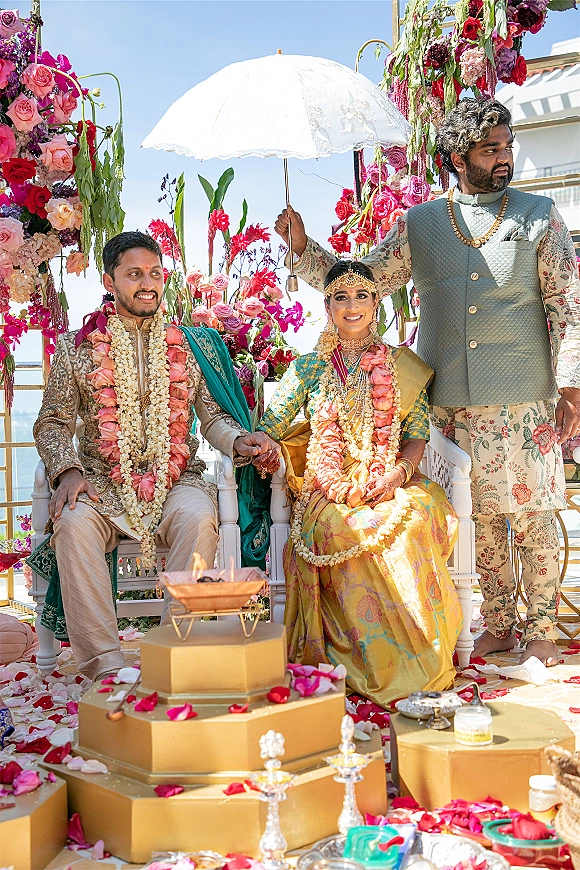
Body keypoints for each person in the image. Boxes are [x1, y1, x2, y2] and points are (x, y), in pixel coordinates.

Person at [275, 98, 580, 668]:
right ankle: (500, 624)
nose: (504, 157)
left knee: (533, 513)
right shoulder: (420, 224)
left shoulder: (539, 215)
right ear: (457, 157)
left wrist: (572, 386)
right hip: (449, 401)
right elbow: (362, 280)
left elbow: (569, 303)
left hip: (523, 396)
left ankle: (541, 629)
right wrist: (302, 247)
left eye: (507, 146)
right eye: (490, 149)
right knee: (477, 515)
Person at [33, 231, 279, 681]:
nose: (147, 284)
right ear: (110, 281)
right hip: (102, 483)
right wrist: (66, 471)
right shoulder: (76, 348)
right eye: (134, 274)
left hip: (176, 481)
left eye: (154, 273)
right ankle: (106, 669)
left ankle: (174, 653)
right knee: (71, 523)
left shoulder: (187, 346)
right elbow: (52, 422)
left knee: (199, 518)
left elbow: (212, 416)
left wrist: (237, 440)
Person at [258, 260, 462, 707]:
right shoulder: (309, 368)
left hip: (391, 476)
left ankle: (420, 658)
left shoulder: (403, 366)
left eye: (362, 296)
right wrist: (259, 444)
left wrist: (396, 475)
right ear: (327, 306)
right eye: (341, 297)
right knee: (341, 528)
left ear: (376, 304)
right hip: (328, 487)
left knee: (412, 524)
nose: (352, 306)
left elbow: (416, 435)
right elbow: (271, 424)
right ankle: (361, 660)